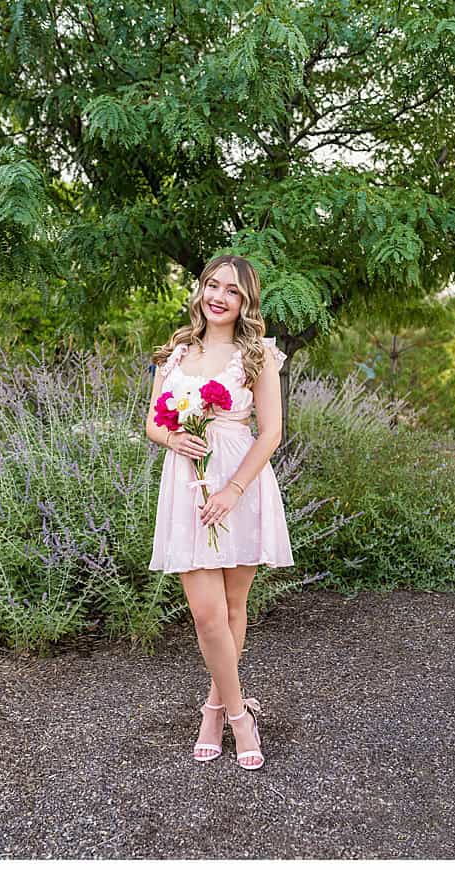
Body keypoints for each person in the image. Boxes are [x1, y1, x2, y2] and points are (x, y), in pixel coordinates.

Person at [146, 255, 294, 769]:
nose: (219, 296)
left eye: (231, 290)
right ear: (200, 291)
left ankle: (213, 707)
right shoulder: (178, 352)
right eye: (212, 285)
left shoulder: (258, 357)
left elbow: (271, 432)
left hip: (240, 483)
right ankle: (238, 715)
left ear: (245, 301)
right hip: (187, 483)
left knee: (233, 608)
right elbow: (151, 424)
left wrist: (232, 489)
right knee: (206, 613)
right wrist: (174, 436)